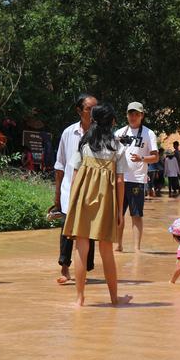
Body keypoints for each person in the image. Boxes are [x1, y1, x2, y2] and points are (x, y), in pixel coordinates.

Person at [62, 104, 132, 307]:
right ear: (111, 122)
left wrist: (72, 204)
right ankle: (113, 298)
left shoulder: (84, 144)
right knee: (106, 250)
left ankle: (79, 298)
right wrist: (120, 211)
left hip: (82, 198)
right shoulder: (117, 148)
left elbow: (75, 174)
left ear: (93, 120)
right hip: (105, 201)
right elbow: (120, 182)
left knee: (81, 247)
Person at [52, 93, 97, 284]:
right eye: (89, 109)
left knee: (88, 231)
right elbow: (60, 164)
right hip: (68, 190)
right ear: (79, 111)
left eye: (96, 108)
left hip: (92, 191)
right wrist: (56, 196)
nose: (93, 112)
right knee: (66, 229)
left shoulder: (101, 135)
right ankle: (65, 268)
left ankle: (84, 270)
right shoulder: (68, 133)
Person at [114, 102, 159, 252]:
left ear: (142, 116)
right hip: (119, 179)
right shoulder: (119, 133)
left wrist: (142, 159)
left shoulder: (148, 133)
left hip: (137, 180)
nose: (133, 117)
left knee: (136, 215)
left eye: (136, 114)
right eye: (130, 114)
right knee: (118, 214)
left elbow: (155, 157)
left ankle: (136, 249)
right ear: (126, 115)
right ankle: (118, 245)